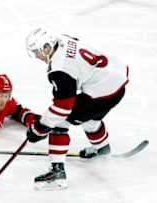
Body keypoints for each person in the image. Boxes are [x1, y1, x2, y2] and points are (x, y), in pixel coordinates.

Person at [25, 27, 129, 189]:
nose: (36, 56)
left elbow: (62, 108)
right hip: (117, 84)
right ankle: (103, 150)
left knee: (60, 123)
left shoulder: (60, 70)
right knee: (90, 119)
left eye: (37, 51)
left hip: (100, 94)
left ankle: (57, 173)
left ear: (47, 46)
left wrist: (40, 128)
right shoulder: (62, 39)